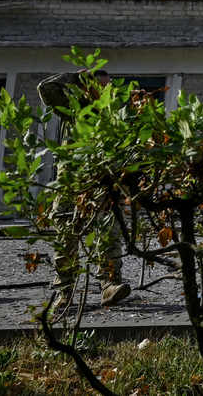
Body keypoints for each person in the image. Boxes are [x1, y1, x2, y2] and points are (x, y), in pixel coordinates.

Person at [38, 69, 131, 308]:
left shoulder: (114, 112)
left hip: (103, 179)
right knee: (66, 232)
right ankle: (65, 292)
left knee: (109, 232)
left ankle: (109, 285)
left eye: (107, 86)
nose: (104, 90)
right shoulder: (74, 108)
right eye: (98, 85)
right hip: (72, 180)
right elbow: (45, 88)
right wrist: (73, 77)